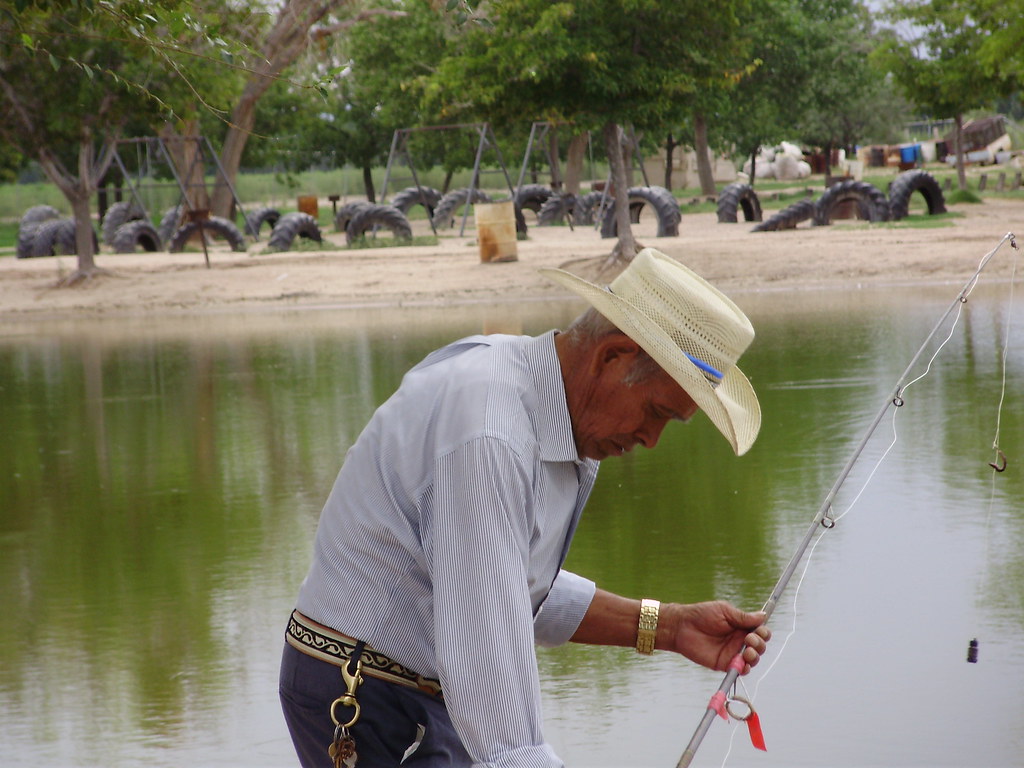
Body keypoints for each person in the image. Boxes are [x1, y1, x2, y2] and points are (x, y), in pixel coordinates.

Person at [279, 247, 771, 767]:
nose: (651, 439)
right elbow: (483, 648)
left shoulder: (557, 410)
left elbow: (509, 584)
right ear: (612, 357)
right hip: (366, 694)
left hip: (413, 690)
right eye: (655, 412)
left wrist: (668, 627)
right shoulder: (492, 433)